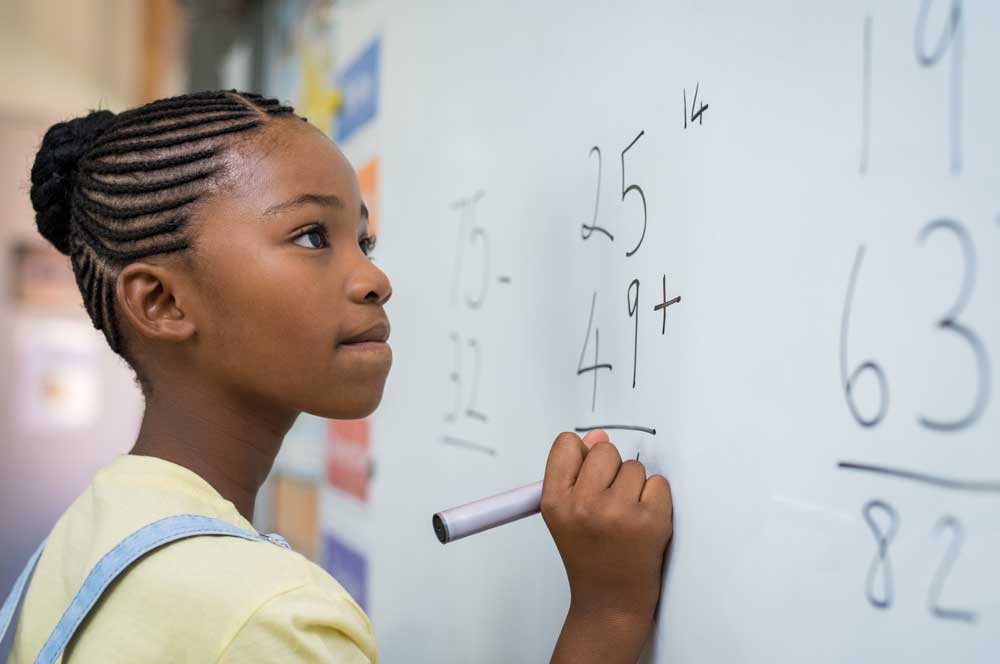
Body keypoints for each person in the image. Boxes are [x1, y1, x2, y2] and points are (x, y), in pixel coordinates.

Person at [3, 90, 673, 663]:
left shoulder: (92, 529)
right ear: (163, 303)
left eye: (365, 241)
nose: (375, 279)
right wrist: (608, 614)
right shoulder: (267, 618)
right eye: (311, 238)